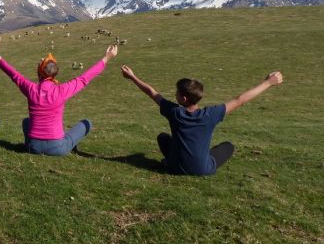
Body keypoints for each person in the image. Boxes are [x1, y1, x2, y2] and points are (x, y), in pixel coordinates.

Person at [120, 65, 284, 175]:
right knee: (228, 146)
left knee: (163, 137)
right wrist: (268, 83)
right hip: (202, 169)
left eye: (176, 93)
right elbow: (240, 100)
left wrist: (132, 76)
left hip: (174, 168)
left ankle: (170, 160)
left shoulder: (175, 113)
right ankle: (195, 158)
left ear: (183, 98)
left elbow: (151, 92)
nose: (174, 95)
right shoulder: (211, 114)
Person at [0, 45, 118, 156]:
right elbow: (83, 79)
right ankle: (65, 142)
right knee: (87, 123)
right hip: (57, 148)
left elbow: (15, 75)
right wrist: (107, 58)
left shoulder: (30, 89)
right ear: (55, 74)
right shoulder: (61, 90)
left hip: (32, 146)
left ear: (39, 73)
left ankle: (41, 142)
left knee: (26, 122)